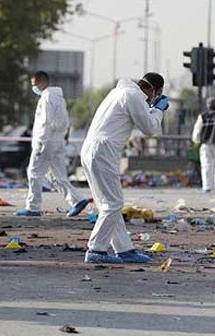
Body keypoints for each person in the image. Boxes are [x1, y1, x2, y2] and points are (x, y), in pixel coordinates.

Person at [80, 72, 169, 264]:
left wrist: (151, 109)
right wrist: (159, 110)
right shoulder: (134, 96)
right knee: (113, 204)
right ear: (155, 91)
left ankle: (124, 249)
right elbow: (149, 128)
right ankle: (96, 249)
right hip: (102, 151)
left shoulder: (119, 92)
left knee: (108, 205)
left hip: (91, 149)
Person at [15, 71, 90, 217]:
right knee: (56, 175)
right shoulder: (59, 98)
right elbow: (65, 120)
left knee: (34, 172)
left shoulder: (47, 97)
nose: (33, 88)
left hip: (46, 141)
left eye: (34, 84)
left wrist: (41, 142)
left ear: (41, 82)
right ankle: (77, 200)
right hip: (58, 140)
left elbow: (45, 121)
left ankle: (33, 207)